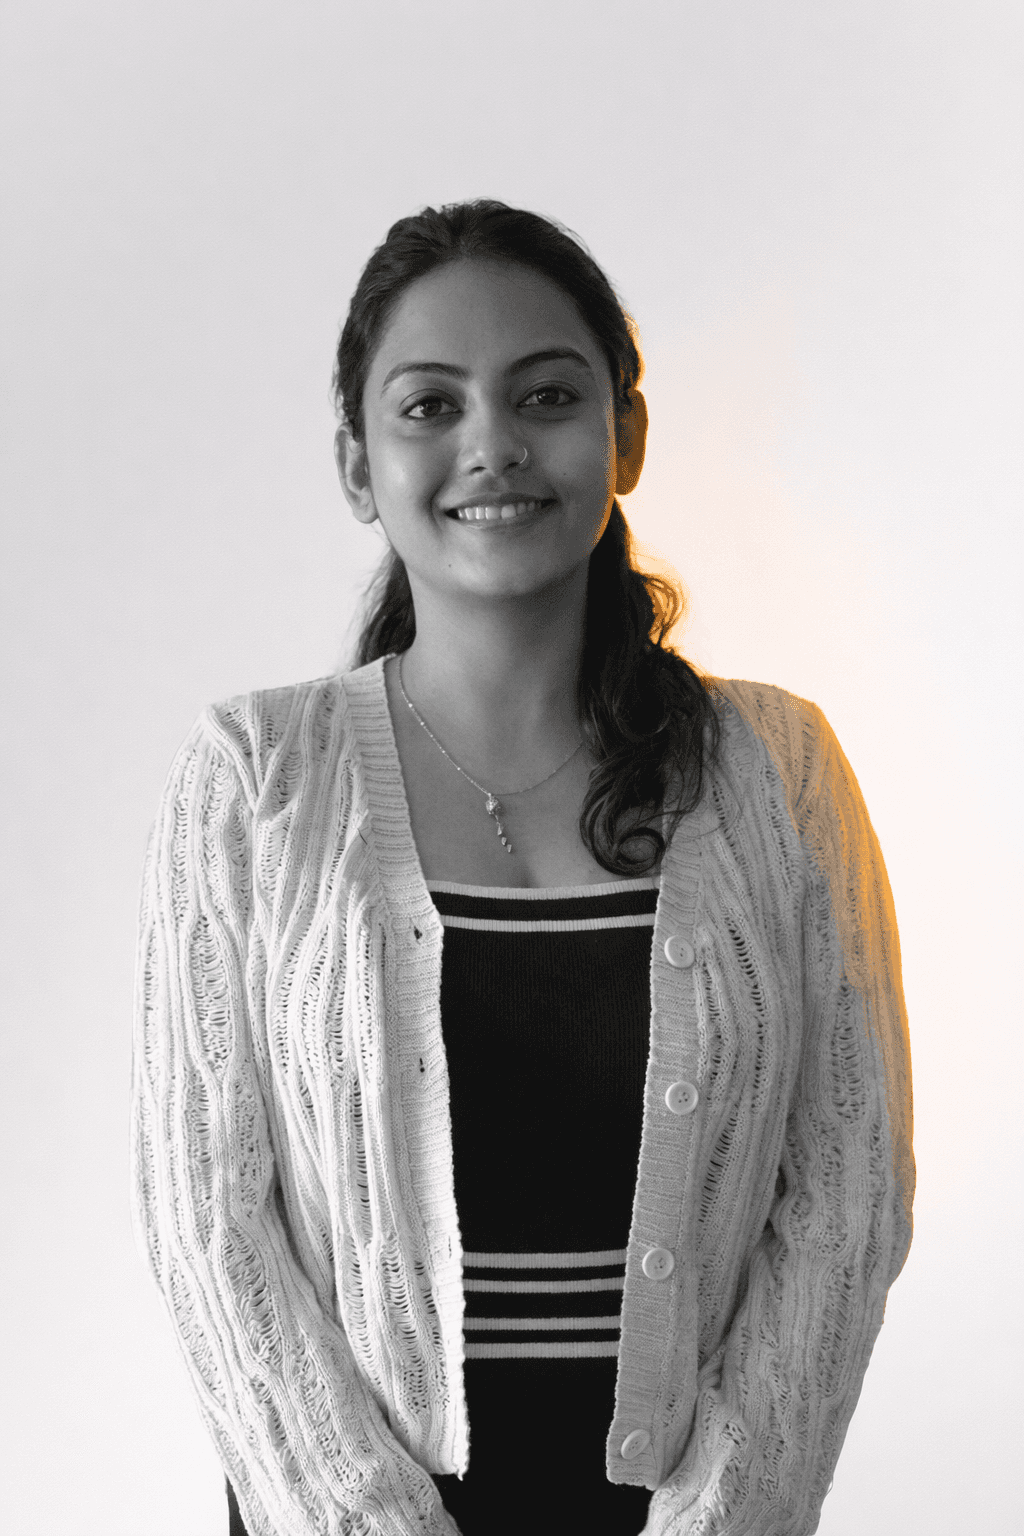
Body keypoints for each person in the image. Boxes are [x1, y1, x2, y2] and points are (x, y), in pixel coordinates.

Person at [130, 199, 915, 1536]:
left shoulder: (775, 770)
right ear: (356, 463)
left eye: (546, 394)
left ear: (628, 433)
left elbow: (850, 1184)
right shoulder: (256, 778)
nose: (492, 445)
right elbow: (206, 1216)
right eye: (429, 407)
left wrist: (725, 1516)